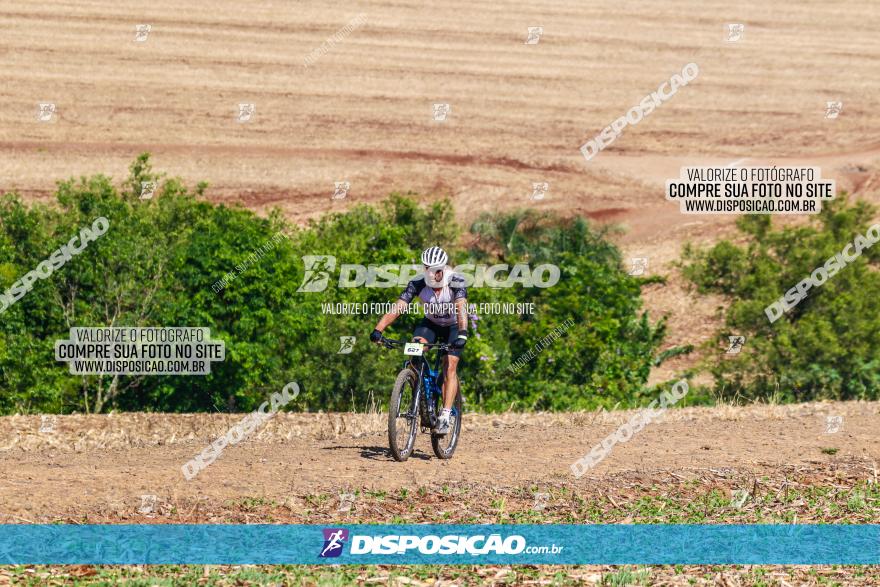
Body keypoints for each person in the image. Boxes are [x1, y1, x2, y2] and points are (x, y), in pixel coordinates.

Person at [370, 246, 467, 434]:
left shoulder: (456, 281)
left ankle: (445, 416)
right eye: (427, 268)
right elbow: (399, 306)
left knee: (450, 364)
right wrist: (378, 329)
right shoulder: (417, 283)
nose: (431, 272)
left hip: (454, 326)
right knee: (414, 350)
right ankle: (420, 396)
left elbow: (461, 309)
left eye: (435, 269)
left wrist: (462, 333)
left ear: (443, 268)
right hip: (430, 324)